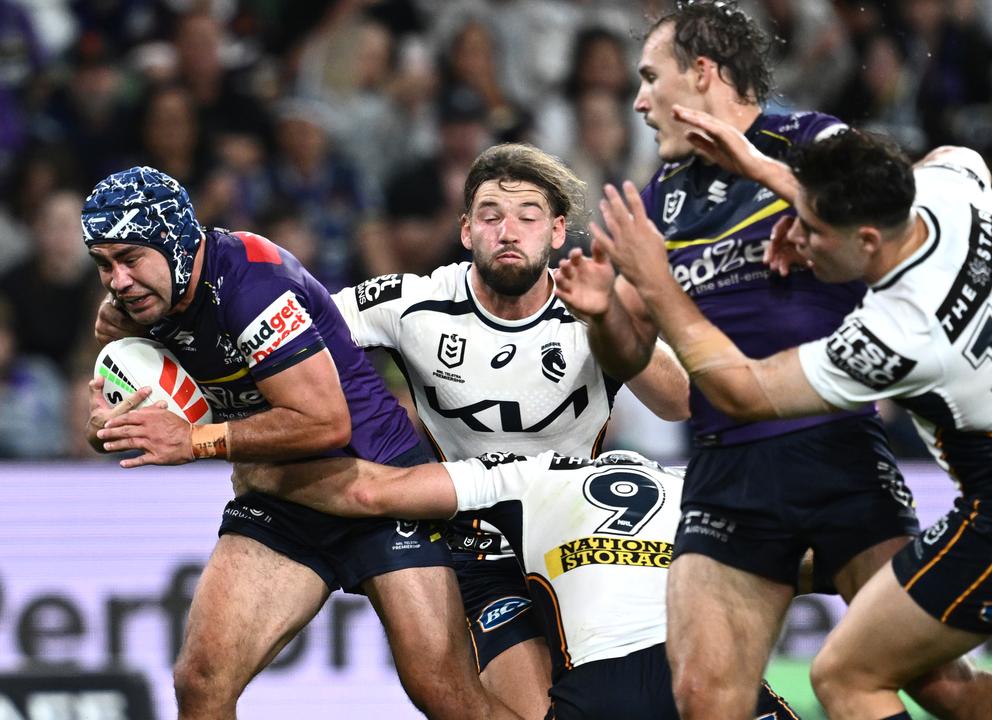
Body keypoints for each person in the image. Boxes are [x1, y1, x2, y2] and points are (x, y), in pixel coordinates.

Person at [583, 102, 992, 720]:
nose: (796, 238)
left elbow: (742, 392)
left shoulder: (897, 333)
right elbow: (947, 159)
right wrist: (770, 172)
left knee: (846, 677)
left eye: (812, 230)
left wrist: (657, 281)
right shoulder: (954, 191)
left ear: (866, 240)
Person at [552, 3, 992, 719]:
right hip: (726, 470)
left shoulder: (815, 143)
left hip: (834, 450)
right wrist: (601, 314)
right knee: (704, 698)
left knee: (939, 683)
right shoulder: (661, 198)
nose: (639, 101)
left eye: (652, 78)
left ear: (703, 73)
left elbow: (902, 232)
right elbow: (634, 356)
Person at [82, 166, 515, 720]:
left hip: (375, 485)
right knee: (201, 680)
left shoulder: (253, 282)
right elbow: (147, 407)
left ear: (175, 242)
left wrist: (194, 440)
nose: (118, 281)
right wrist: (110, 429)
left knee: (445, 695)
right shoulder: (137, 309)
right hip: (281, 495)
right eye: (104, 264)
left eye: (130, 258)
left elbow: (325, 424)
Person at [327, 143, 689, 718]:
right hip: (478, 546)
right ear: (466, 230)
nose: (508, 231)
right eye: (491, 216)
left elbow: (680, 402)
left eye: (528, 216)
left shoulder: (591, 305)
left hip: (585, 542)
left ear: (557, 231)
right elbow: (293, 328)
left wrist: (610, 322)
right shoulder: (414, 304)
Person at [229, 448, 799, 720]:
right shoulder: (700, 485)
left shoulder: (532, 472)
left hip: (600, 694)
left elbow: (370, 492)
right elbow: (804, 561)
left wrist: (261, 471)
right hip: (703, 670)